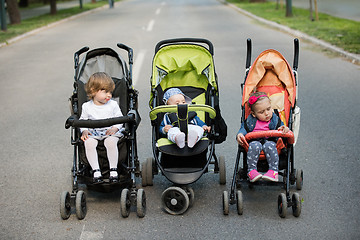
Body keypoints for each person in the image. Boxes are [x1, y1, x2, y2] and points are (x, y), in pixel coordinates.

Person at [80, 72, 124, 184]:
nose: (109, 95)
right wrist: (84, 131)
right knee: (88, 143)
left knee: (110, 142)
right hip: (94, 133)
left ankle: (113, 170)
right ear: (93, 91)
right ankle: (96, 170)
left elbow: (120, 119)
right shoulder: (86, 107)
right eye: (105, 92)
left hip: (110, 132)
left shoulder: (113, 105)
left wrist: (115, 128)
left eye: (110, 92)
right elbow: (82, 121)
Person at [236, 92, 289, 182]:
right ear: (254, 113)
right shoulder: (250, 120)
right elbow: (243, 129)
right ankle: (252, 171)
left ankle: (273, 171)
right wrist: (240, 134)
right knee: (254, 145)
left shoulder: (274, 119)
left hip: (271, 142)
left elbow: (281, 126)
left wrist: (284, 128)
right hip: (255, 142)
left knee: (269, 145)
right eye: (261, 112)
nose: (267, 114)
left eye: (268, 109)